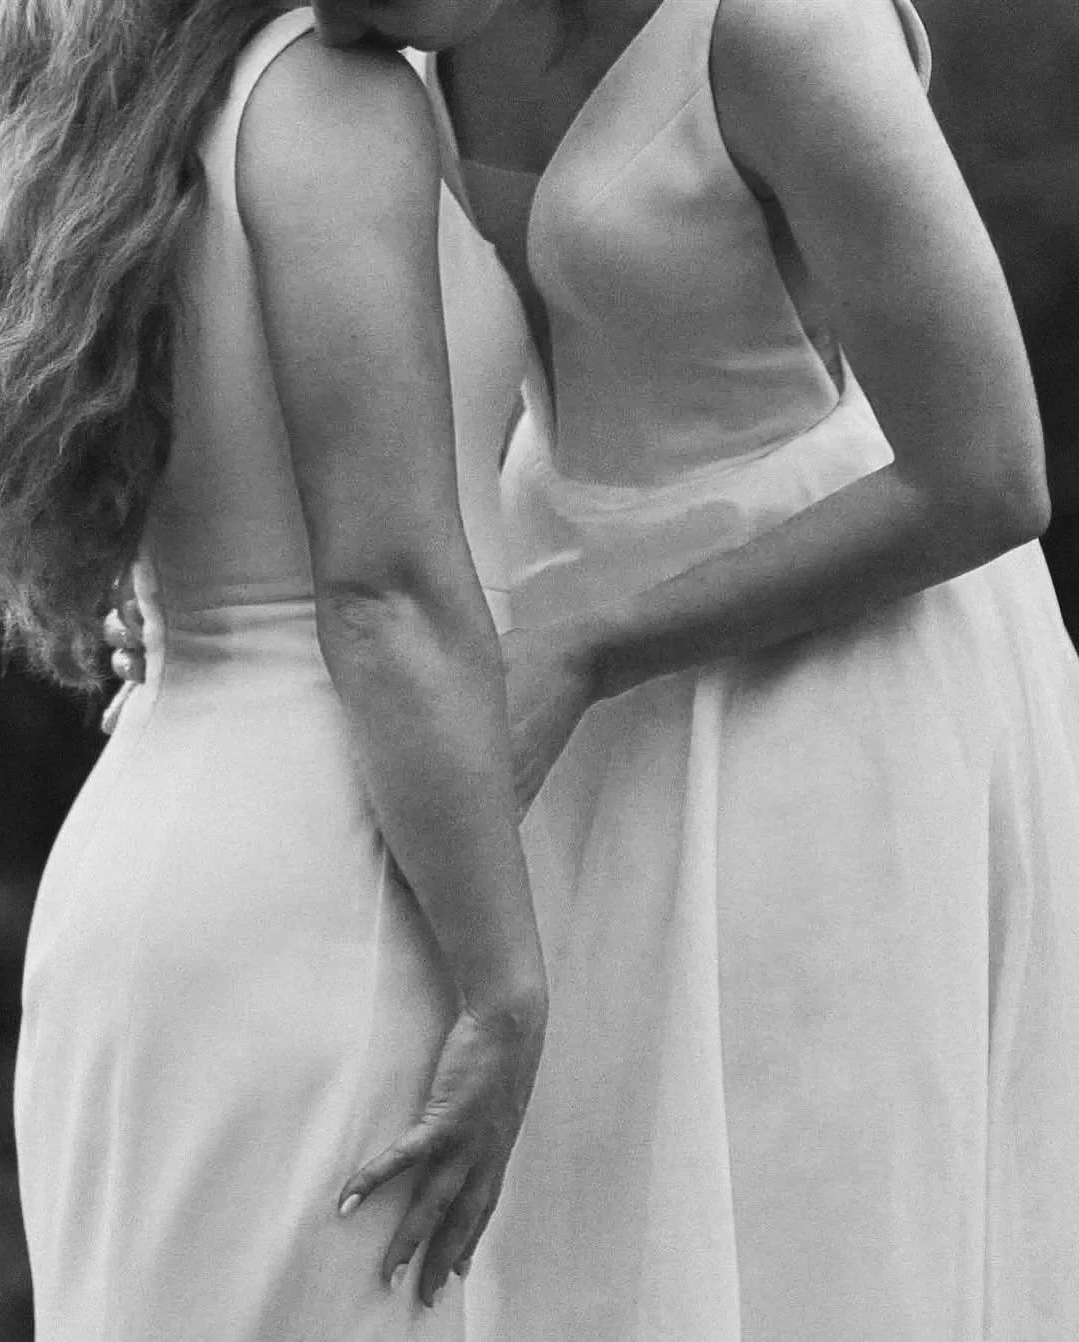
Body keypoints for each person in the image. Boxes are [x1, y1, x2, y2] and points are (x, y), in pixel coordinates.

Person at [109, 0, 1079, 1335]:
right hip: (563, 647)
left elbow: (990, 472)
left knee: (814, 1206)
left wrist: (601, 639)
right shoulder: (405, 34)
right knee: (597, 1214)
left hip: (830, 653)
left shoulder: (777, 33)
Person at [0, 2, 548, 1338]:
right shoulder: (329, 98)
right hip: (333, 875)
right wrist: (504, 981)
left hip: (143, 855)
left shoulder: (114, 108)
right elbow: (385, 590)